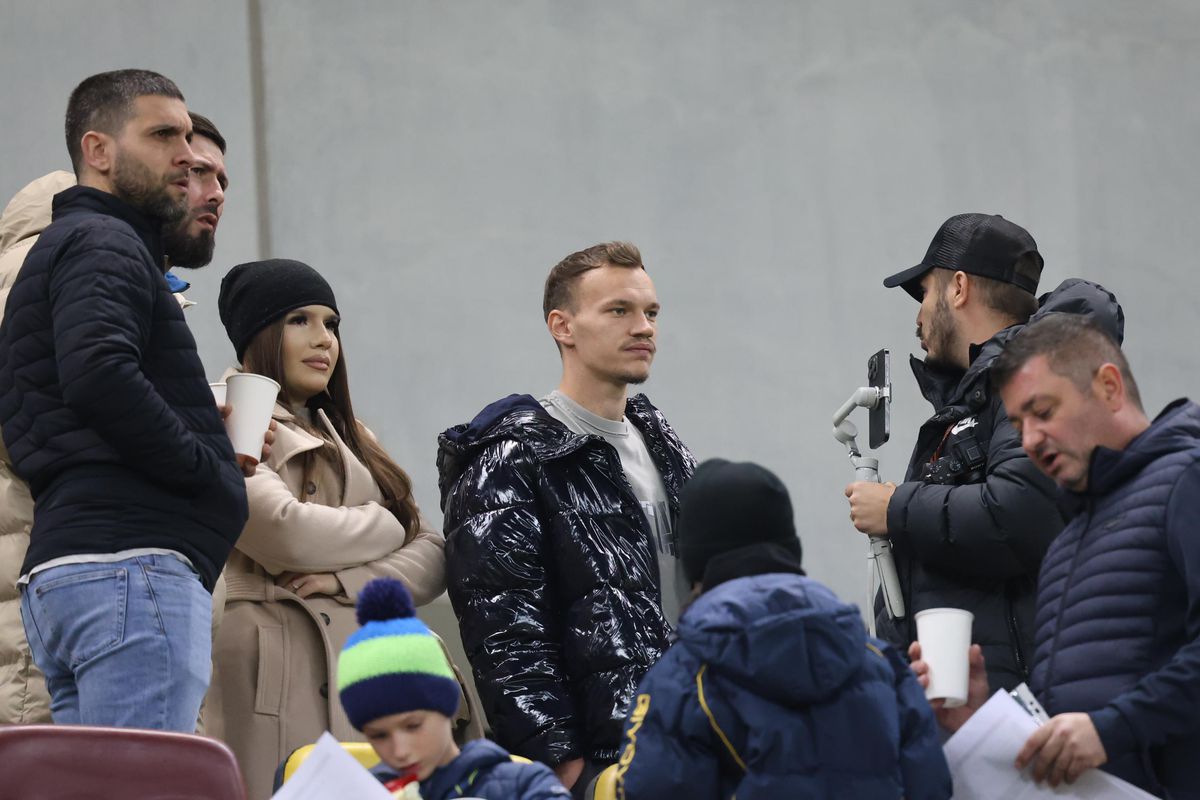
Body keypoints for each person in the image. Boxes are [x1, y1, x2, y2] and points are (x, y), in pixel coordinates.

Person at [0, 69, 248, 731]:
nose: (188, 154)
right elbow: (99, 374)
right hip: (130, 569)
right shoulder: (103, 241)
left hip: (85, 571)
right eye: (164, 134)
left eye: (190, 134)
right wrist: (204, 467)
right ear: (98, 151)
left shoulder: (82, 245)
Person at [438, 241, 695, 796]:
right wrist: (563, 769)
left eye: (651, 313)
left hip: (690, 740)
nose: (644, 327)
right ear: (563, 326)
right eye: (619, 311)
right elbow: (505, 633)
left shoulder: (665, 445)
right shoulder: (512, 456)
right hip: (602, 760)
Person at [208, 258, 470, 799]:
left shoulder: (352, 434)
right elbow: (283, 533)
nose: (323, 339)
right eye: (299, 320)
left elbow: (434, 554)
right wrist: (385, 524)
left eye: (331, 324)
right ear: (259, 333)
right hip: (266, 671)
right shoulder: (227, 412)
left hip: (357, 677)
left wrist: (348, 581)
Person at [845, 212, 1120, 691]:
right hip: (976, 710)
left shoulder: (1028, 378)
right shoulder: (978, 397)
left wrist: (895, 507)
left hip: (1015, 714)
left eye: (925, 294)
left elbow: (1021, 511)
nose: (918, 315)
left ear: (958, 287)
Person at [615, 459, 951, 799]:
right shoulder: (881, 665)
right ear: (790, 548)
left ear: (695, 563)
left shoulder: (684, 679)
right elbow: (932, 788)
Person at [338, 577, 570, 800]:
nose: (400, 751)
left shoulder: (525, 786)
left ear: (447, 707)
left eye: (413, 726)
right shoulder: (360, 793)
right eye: (379, 735)